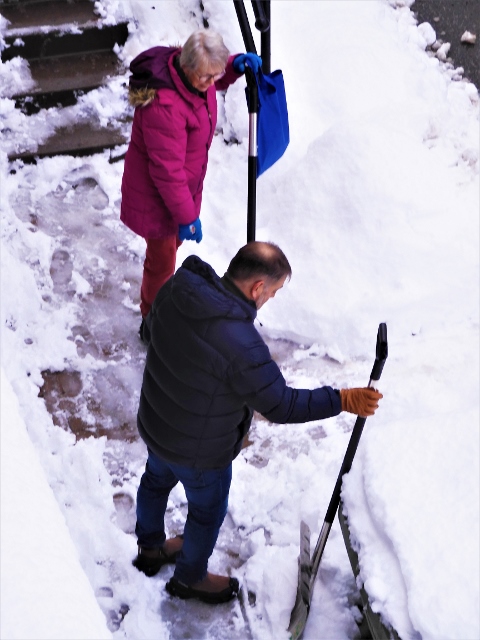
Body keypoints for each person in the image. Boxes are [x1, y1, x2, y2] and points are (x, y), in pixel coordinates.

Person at [132, 241, 383, 604]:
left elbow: (151, 332)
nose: (272, 298)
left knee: (154, 484)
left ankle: (150, 548)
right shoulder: (242, 344)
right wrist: (342, 399)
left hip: (157, 424)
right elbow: (281, 405)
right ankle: (189, 578)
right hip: (201, 453)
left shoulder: (177, 287)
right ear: (257, 287)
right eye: (274, 291)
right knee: (206, 511)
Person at [120, 29, 262, 338]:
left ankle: (160, 309)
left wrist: (234, 66)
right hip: (157, 197)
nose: (212, 82)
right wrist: (186, 217)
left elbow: (212, 79)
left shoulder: (193, 78)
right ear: (186, 66)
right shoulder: (164, 107)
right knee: (161, 262)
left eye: (215, 75)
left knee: (169, 252)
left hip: (180, 190)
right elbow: (167, 172)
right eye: (206, 77)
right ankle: (152, 324)